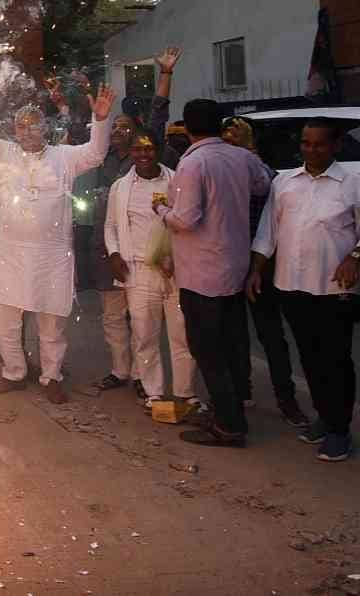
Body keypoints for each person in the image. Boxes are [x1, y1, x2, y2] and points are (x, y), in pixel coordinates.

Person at [0, 85, 115, 404]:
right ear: (14, 130)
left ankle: (52, 376)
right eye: (21, 125)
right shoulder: (5, 152)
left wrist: (101, 120)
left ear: (45, 128)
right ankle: (14, 372)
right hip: (10, 253)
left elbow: (96, 153)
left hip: (52, 256)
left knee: (52, 322)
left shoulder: (64, 157)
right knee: (5, 320)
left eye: (33, 124)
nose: (27, 131)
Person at [154, 98, 271, 448]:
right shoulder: (241, 157)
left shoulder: (194, 163)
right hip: (233, 268)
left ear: (186, 127)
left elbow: (186, 219)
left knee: (207, 350)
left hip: (202, 274)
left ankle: (229, 426)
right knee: (232, 345)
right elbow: (264, 186)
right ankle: (230, 411)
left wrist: (162, 209)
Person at [249, 119, 360, 462]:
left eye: (319, 144)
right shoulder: (284, 183)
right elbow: (269, 231)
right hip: (291, 284)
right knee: (310, 356)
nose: (311, 149)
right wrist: (256, 269)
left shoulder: (353, 183)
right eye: (306, 143)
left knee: (336, 359)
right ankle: (324, 419)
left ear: (335, 145)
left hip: (333, 288)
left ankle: (340, 431)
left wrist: (355, 256)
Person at [76, 47, 181, 396]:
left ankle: (141, 375)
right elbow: (89, 127)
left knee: (141, 321)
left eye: (125, 128)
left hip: (144, 253)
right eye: (115, 128)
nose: (119, 132)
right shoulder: (99, 159)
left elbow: (158, 118)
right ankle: (120, 370)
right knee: (112, 316)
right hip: (106, 249)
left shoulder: (147, 158)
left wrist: (164, 75)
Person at [104, 129, 199, 412]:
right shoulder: (120, 187)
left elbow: (188, 222)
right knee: (144, 335)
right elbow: (110, 227)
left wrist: (176, 258)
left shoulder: (177, 180)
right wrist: (115, 254)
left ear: (159, 149)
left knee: (182, 334)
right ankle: (153, 391)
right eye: (137, 150)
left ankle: (185, 393)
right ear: (130, 152)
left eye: (149, 149)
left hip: (175, 270)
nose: (143, 155)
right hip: (138, 271)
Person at [222, 115, 308, 425]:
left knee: (269, 334)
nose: (229, 146)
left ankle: (286, 399)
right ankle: (242, 392)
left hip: (260, 264)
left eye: (235, 140)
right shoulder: (231, 169)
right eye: (226, 141)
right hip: (229, 262)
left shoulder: (263, 174)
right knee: (237, 334)